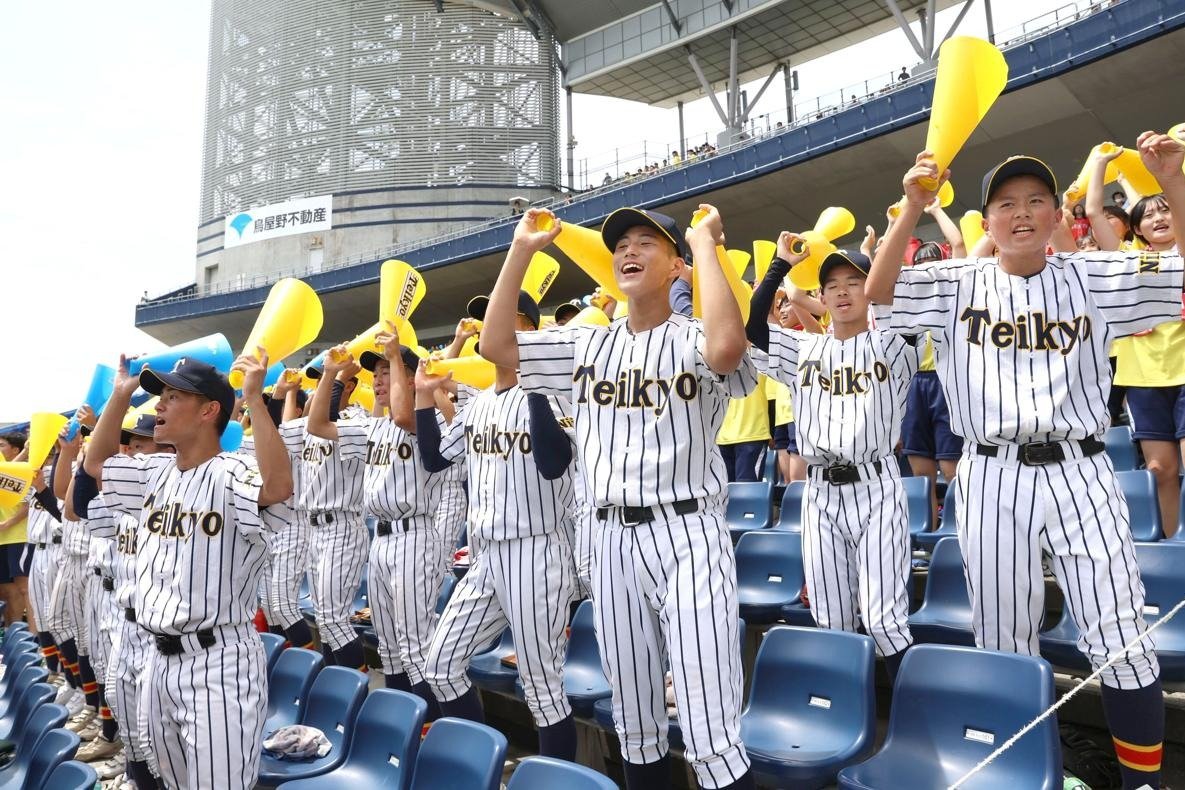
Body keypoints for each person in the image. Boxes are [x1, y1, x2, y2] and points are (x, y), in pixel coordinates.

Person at [865, 133, 1185, 790]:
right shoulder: (957, 281)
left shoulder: (1091, 274)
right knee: (1002, 636)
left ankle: (1142, 783)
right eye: (1005, 202)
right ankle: (1024, 772)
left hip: (1081, 465)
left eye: (1034, 199)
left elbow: (1178, 267)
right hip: (990, 470)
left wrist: (1170, 180)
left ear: (1052, 215)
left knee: (1119, 632)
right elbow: (877, 291)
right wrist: (909, 205)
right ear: (986, 222)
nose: (1019, 212)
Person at [479, 204, 757, 789]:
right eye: (621, 244)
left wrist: (704, 244)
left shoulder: (695, 336)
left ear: (675, 263)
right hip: (608, 538)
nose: (629, 250)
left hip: (687, 533)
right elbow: (496, 346)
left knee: (709, 724)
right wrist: (522, 250)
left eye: (646, 243)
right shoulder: (588, 345)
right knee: (634, 720)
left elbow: (729, 349)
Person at [82, 353, 293, 790]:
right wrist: (120, 396)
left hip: (217, 662)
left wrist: (253, 399)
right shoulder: (155, 471)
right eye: (161, 395)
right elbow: (97, 464)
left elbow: (277, 488)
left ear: (208, 410)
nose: (159, 404)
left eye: (173, 396)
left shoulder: (232, 471)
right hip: (157, 659)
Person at [415, 289, 580, 761]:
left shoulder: (555, 393)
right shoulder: (479, 403)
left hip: (536, 549)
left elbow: (553, 462)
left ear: (527, 330)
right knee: (441, 664)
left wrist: (534, 381)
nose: (489, 330)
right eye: (486, 321)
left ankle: (555, 777)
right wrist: (426, 399)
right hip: (486, 555)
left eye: (503, 319)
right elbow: (433, 458)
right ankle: (481, 764)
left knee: (543, 687)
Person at [748, 241, 917, 683]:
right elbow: (754, 329)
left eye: (854, 282)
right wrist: (779, 266)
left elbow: (899, 296)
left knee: (885, 621)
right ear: (820, 298)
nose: (843, 292)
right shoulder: (803, 350)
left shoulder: (895, 344)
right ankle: (843, 715)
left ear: (871, 290)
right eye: (832, 286)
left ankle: (910, 721)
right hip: (820, 491)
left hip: (876, 486)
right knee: (830, 615)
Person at [307, 330, 446, 715]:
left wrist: (398, 358)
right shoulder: (372, 426)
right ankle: (406, 727)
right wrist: (333, 376)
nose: (379, 379)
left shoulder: (426, 418)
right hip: (382, 540)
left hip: (415, 534)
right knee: (390, 647)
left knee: (415, 644)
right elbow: (318, 425)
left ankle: (432, 731)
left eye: (388, 371)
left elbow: (405, 414)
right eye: (377, 373)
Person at [279, 361, 371, 670]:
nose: (319, 386)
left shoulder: (358, 419)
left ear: (349, 386)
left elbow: (322, 421)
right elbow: (284, 431)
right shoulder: (310, 425)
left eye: (327, 381)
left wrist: (336, 373)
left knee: (334, 619)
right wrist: (285, 393)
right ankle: (338, 687)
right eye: (317, 380)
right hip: (314, 528)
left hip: (342, 524)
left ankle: (352, 696)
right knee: (325, 619)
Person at [0, 432, 30, 628]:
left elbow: (28, 505)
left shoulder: (19, 471)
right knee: (4, 589)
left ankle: (20, 633)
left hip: (16, 537)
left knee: (21, 589)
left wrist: (7, 524)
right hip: (3, 539)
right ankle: (12, 631)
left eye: (2, 445)